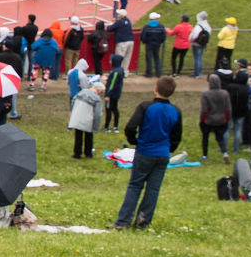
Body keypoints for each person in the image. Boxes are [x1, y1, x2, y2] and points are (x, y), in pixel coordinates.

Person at [115, 76, 181, 229]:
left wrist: (135, 141)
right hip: (163, 153)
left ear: (155, 89)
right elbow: (177, 135)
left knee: (135, 185)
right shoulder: (175, 111)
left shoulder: (146, 107)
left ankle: (123, 221)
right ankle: (143, 222)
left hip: (145, 151)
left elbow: (131, 127)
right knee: (153, 189)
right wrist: (169, 148)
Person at [69, 74, 104, 159]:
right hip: (88, 120)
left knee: (78, 136)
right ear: (99, 90)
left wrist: (72, 112)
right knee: (89, 137)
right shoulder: (97, 99)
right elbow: (97, 114)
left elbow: (73, 101)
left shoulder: (82, 92)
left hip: (77, 118)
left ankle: (77, 153)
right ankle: (88, 153)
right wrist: (96, 127)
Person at [200, 73, 232, 161]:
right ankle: (224, 152)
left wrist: (202, 119)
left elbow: (204, 109)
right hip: (221, 119)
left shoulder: (206, 94)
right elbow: (228, 108)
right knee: (220, 137)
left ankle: (205, 155)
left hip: (209, 120)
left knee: (205, 137)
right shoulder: (225, 93)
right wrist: (227, 118)